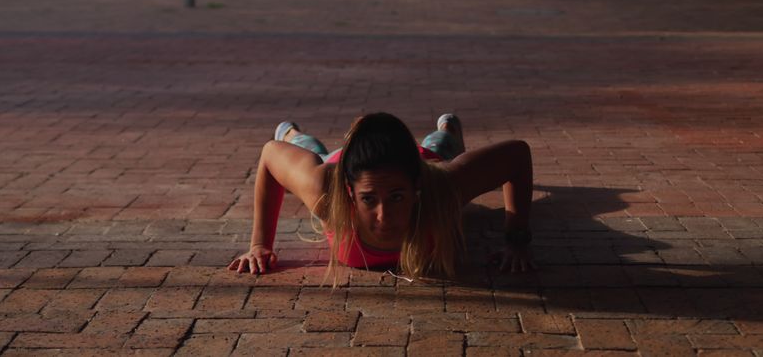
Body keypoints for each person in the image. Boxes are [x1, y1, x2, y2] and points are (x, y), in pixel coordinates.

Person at [227, 112, 535, 281]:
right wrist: (259, 245)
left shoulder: (442, 187)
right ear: (350, 194)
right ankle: (292, 132)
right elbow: (270, 155)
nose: (383, 216)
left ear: (416, 190)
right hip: (340, 163)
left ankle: (448, 127)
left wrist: (516, 240)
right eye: (369, 200)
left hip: (422, 159)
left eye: (397, 198)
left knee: (440, 149)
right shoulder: (325, 190)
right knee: (315, 154)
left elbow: (518, 155)